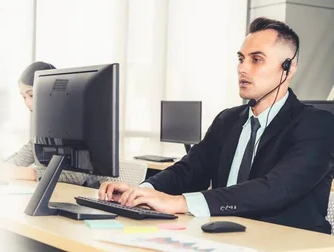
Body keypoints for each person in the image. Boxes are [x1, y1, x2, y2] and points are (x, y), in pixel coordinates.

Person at [98, 17, 334, 234]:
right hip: (222, 238)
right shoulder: (228, 120)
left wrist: (179, 202)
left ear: (288, 68)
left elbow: (275, 188)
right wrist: (142, 191)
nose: (242, 68)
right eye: (241, 59)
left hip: (284, 244)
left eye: (256, 59)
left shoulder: (318, 125)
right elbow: (188, 171)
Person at [2, 61, 105, 188]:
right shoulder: (43, 125)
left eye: (31, 95)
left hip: (83, 196)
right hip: (55, 194)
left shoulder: (77, 123)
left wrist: (32, 173)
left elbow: (76, 176)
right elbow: (22, 158)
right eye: (24, 97)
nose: (27, 103)